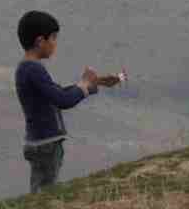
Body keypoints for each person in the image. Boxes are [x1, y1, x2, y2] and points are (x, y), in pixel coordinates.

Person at [13, 10, 120, 196]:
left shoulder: (27, 69)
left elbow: (58, 93)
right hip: (46, 143)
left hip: (39, 142)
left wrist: (94, 84)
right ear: (40, 41)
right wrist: (85, 86)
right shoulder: (33, 70)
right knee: (44, 194)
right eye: (53, 38)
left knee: (41, 191)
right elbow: (63, 100)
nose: (55, 44)